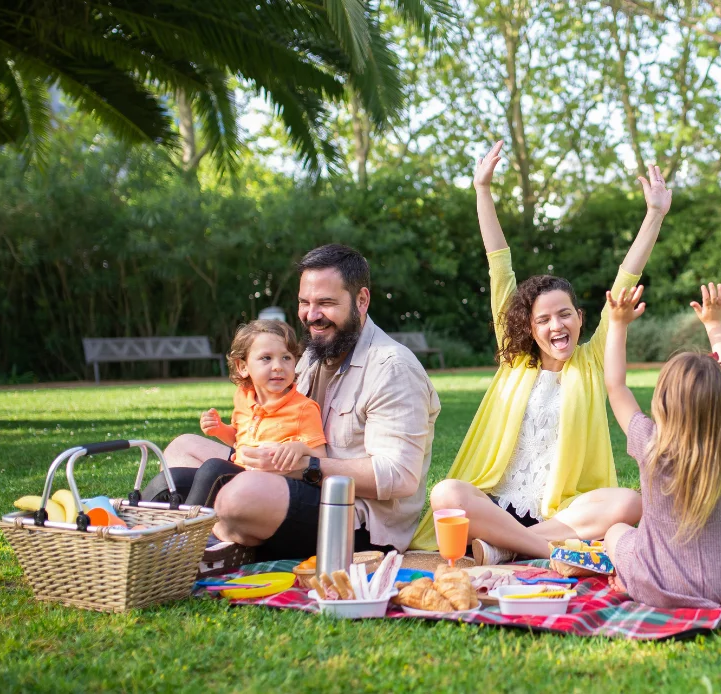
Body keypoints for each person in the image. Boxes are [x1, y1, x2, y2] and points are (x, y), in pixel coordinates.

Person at [410, 140, 671, 564]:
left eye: (564, 315)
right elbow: (499, 264)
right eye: (544, 320)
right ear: (529, 329)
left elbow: (626, 279)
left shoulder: (591, 361)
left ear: (581, 318)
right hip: (497, 504)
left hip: (562, 513)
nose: (556, 326)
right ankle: (545, 551)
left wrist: (654, 214)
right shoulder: (515, 359)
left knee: (629, 503)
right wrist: (482, 190)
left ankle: (501, 548)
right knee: (447, 493)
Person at [145, 244, 441, 568]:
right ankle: (220, 533)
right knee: (181, 449)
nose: (312, 315)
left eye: (326, 303)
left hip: (356, 518)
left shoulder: (392, 367)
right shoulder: (312, 354)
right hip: (286, 480)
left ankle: (213, 538)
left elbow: (400, 477)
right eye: (304, 302)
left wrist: (306, 467)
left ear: (361, 300)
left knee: (238, 496)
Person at [603, 282, 721, 608]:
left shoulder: (649, 442)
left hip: (654, 583)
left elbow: (615, 386)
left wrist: (618, 325)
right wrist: (714, 325)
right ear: (719, 404)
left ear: (663, 399)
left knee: (616, 531)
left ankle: (625, 579)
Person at [162, 319, 327, 512]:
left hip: (269, 487)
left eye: (286, 358)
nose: (278, 366)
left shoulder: (303, 408)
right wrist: (219, 430)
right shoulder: (243, 396)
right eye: (266, 358)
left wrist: (298, 448)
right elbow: (238, 440)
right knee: (174, 478)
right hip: (240, 473)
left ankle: (185, 531)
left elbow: (320, 455)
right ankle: (140, 525)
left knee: (213, 470)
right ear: (243, 367)